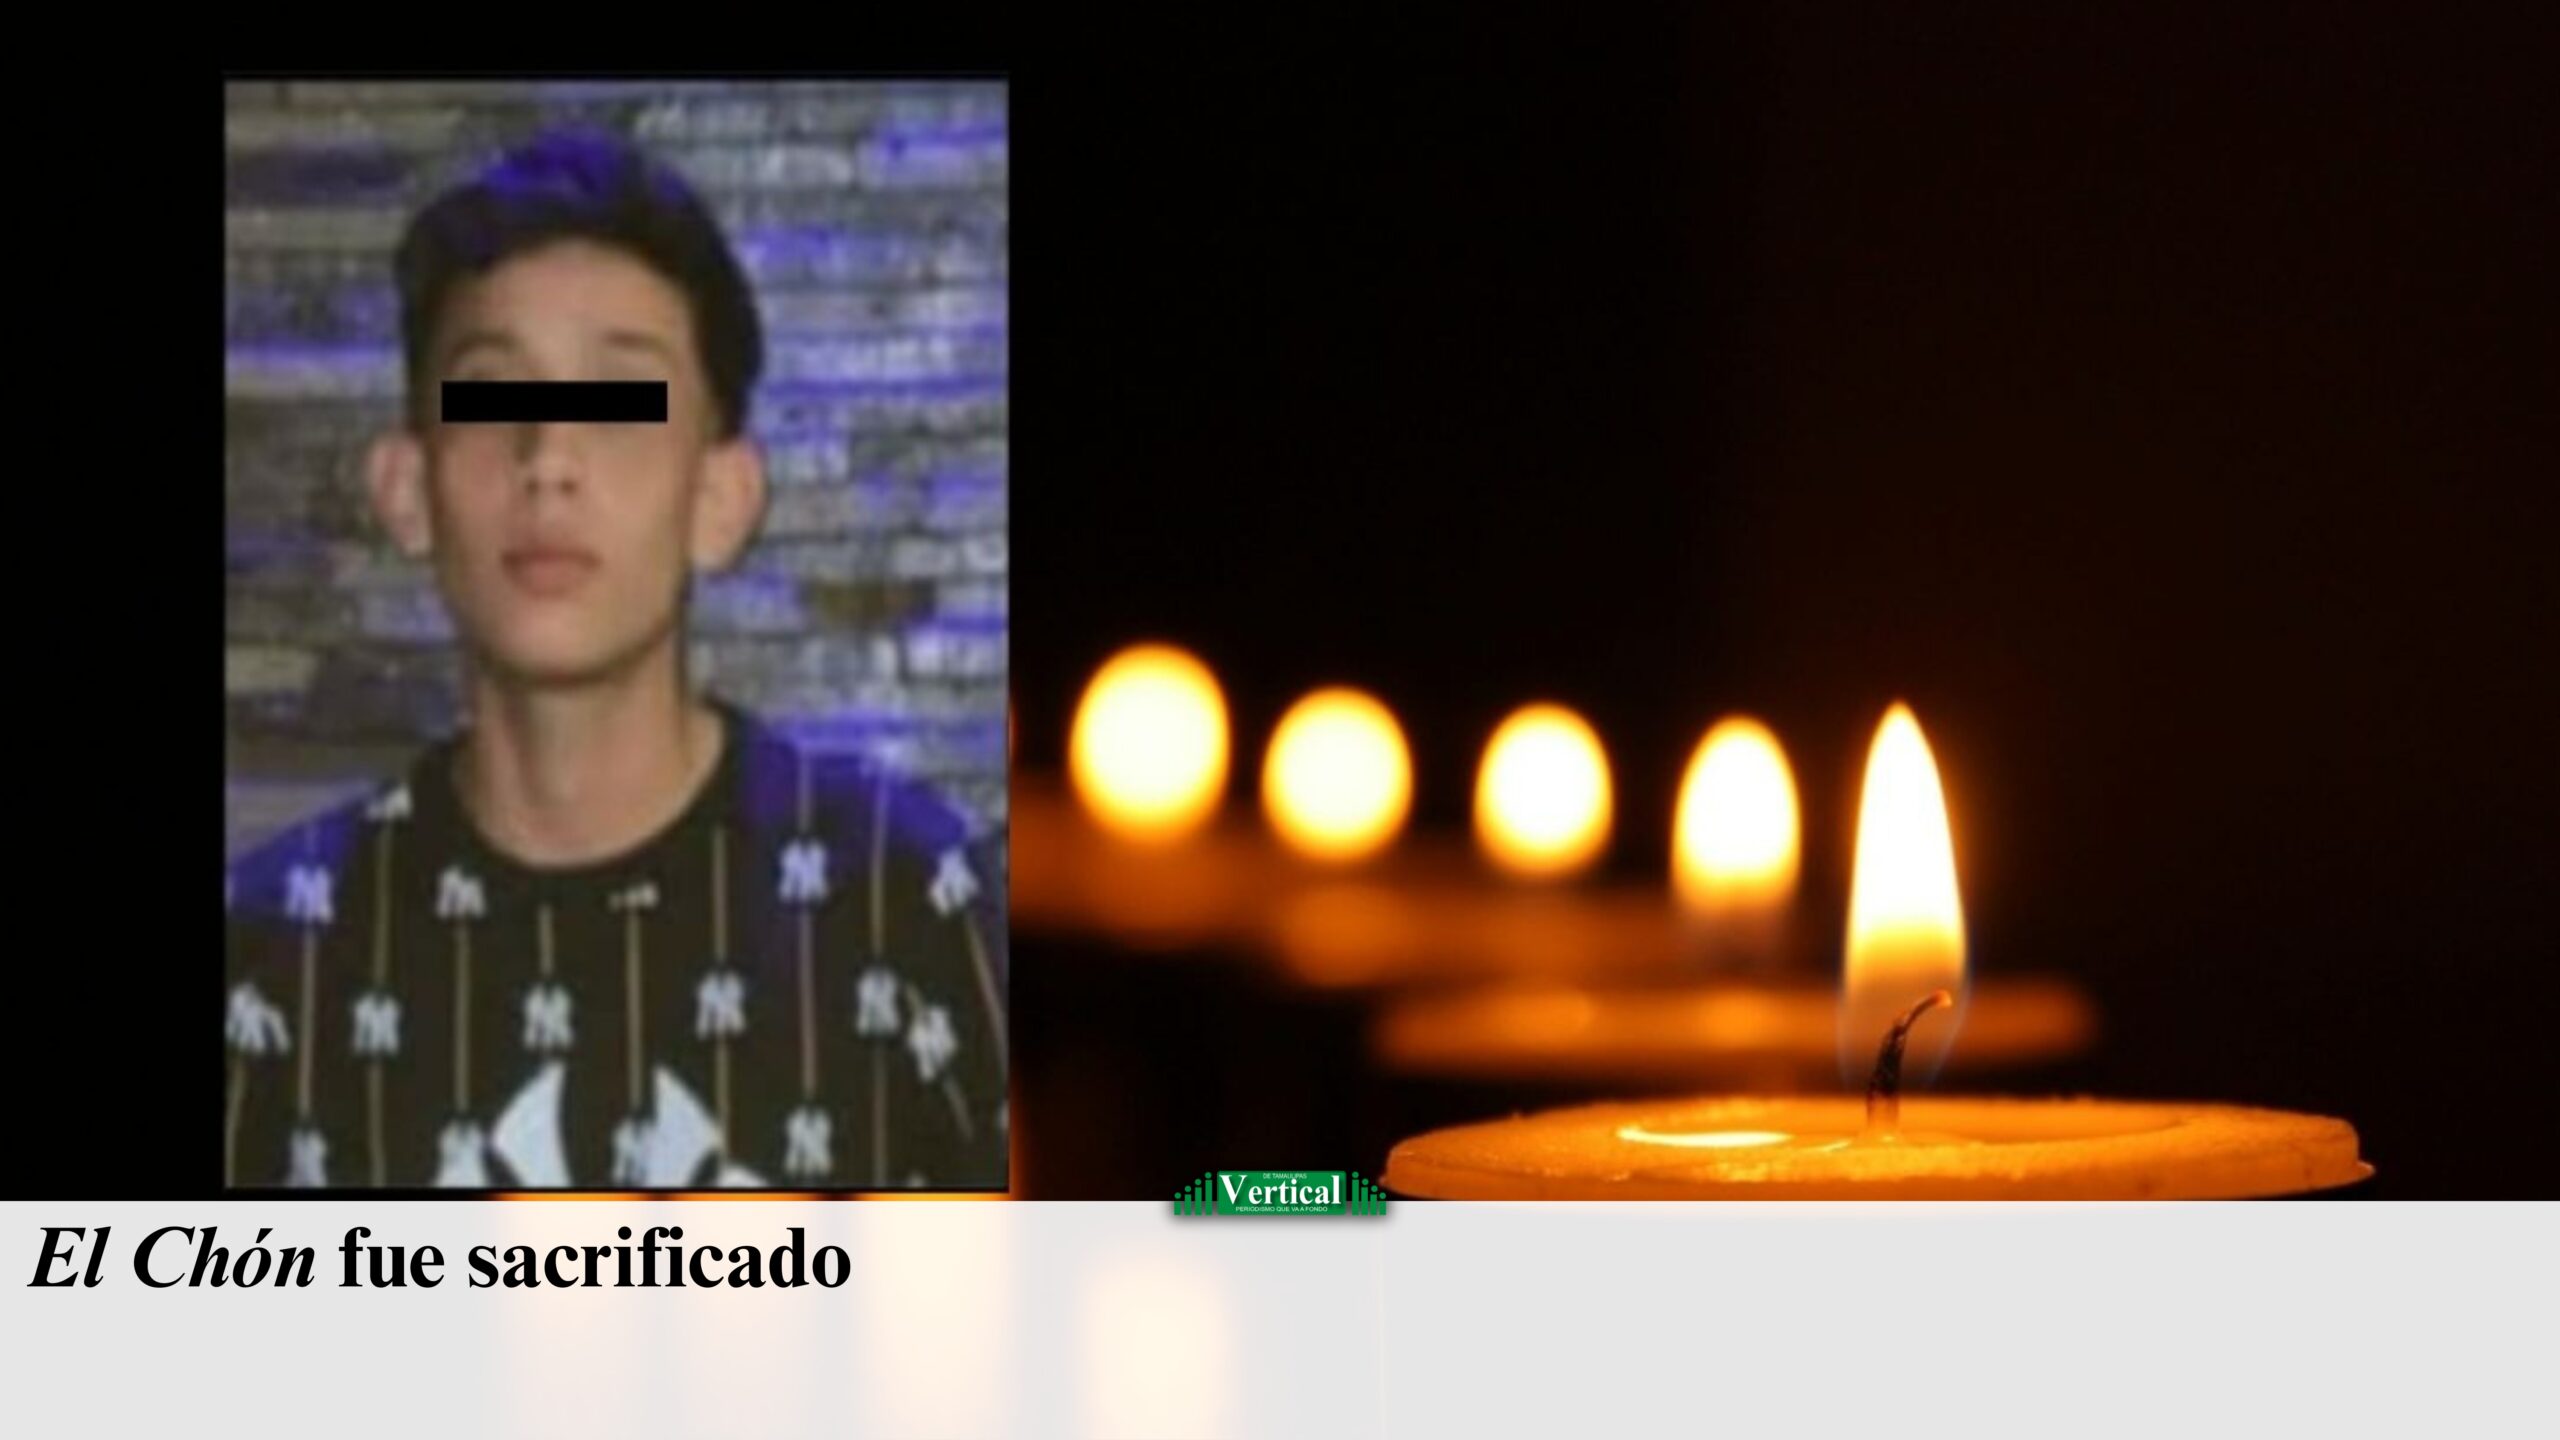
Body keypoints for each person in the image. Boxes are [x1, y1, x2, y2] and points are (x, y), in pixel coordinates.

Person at [224, 130, 1006, 1190]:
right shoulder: (271, 959)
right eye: (492, 394)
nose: (550, 458)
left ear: (721, 499)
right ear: (407, 489)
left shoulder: (913, 903)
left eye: (623, 399)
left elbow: (1210, 1213)